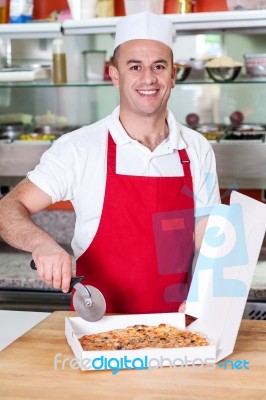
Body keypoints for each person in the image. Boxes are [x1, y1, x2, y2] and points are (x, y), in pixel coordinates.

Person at [0, 12, 220, 314]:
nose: (148, 78)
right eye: (134, 67)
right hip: (99, 329)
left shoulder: (197, 149)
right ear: (115, 75)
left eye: (159, 66)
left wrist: (204, 296)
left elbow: (208, 234)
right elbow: (8, 207)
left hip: (179, 326)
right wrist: (42, 243)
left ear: (173, 75)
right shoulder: (79, 147)